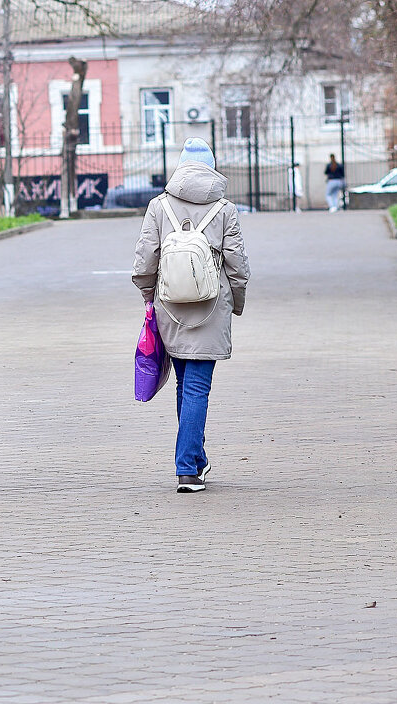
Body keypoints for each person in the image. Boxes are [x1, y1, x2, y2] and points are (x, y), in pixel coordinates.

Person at [131, 137, 250, 493]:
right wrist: (236, 303)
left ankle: (195, 459)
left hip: (170, 306)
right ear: (211, 167)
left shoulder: (159, 206)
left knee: (186, 386)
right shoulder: (225, 209)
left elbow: (144, 261)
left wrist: (149, 296)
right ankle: (186, 468)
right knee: (197, 387)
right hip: (211, 307)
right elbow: (238, 266)